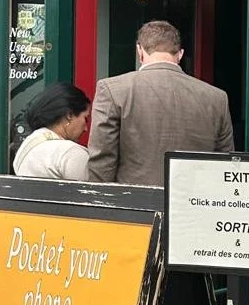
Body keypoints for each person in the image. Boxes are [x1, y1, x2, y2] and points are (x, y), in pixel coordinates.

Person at [87, 20, 234, 185]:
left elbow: (101, 163)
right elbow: (226, 166)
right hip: (194, 204)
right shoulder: (216, 97)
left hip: (133, 203)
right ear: (180, 54)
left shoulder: (112, 90)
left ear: (139, 51)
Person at [11, 83, 91, 180]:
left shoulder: (26, 145)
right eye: (85, 118)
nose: (86, 128)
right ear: (69, 115)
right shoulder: (71, 153)